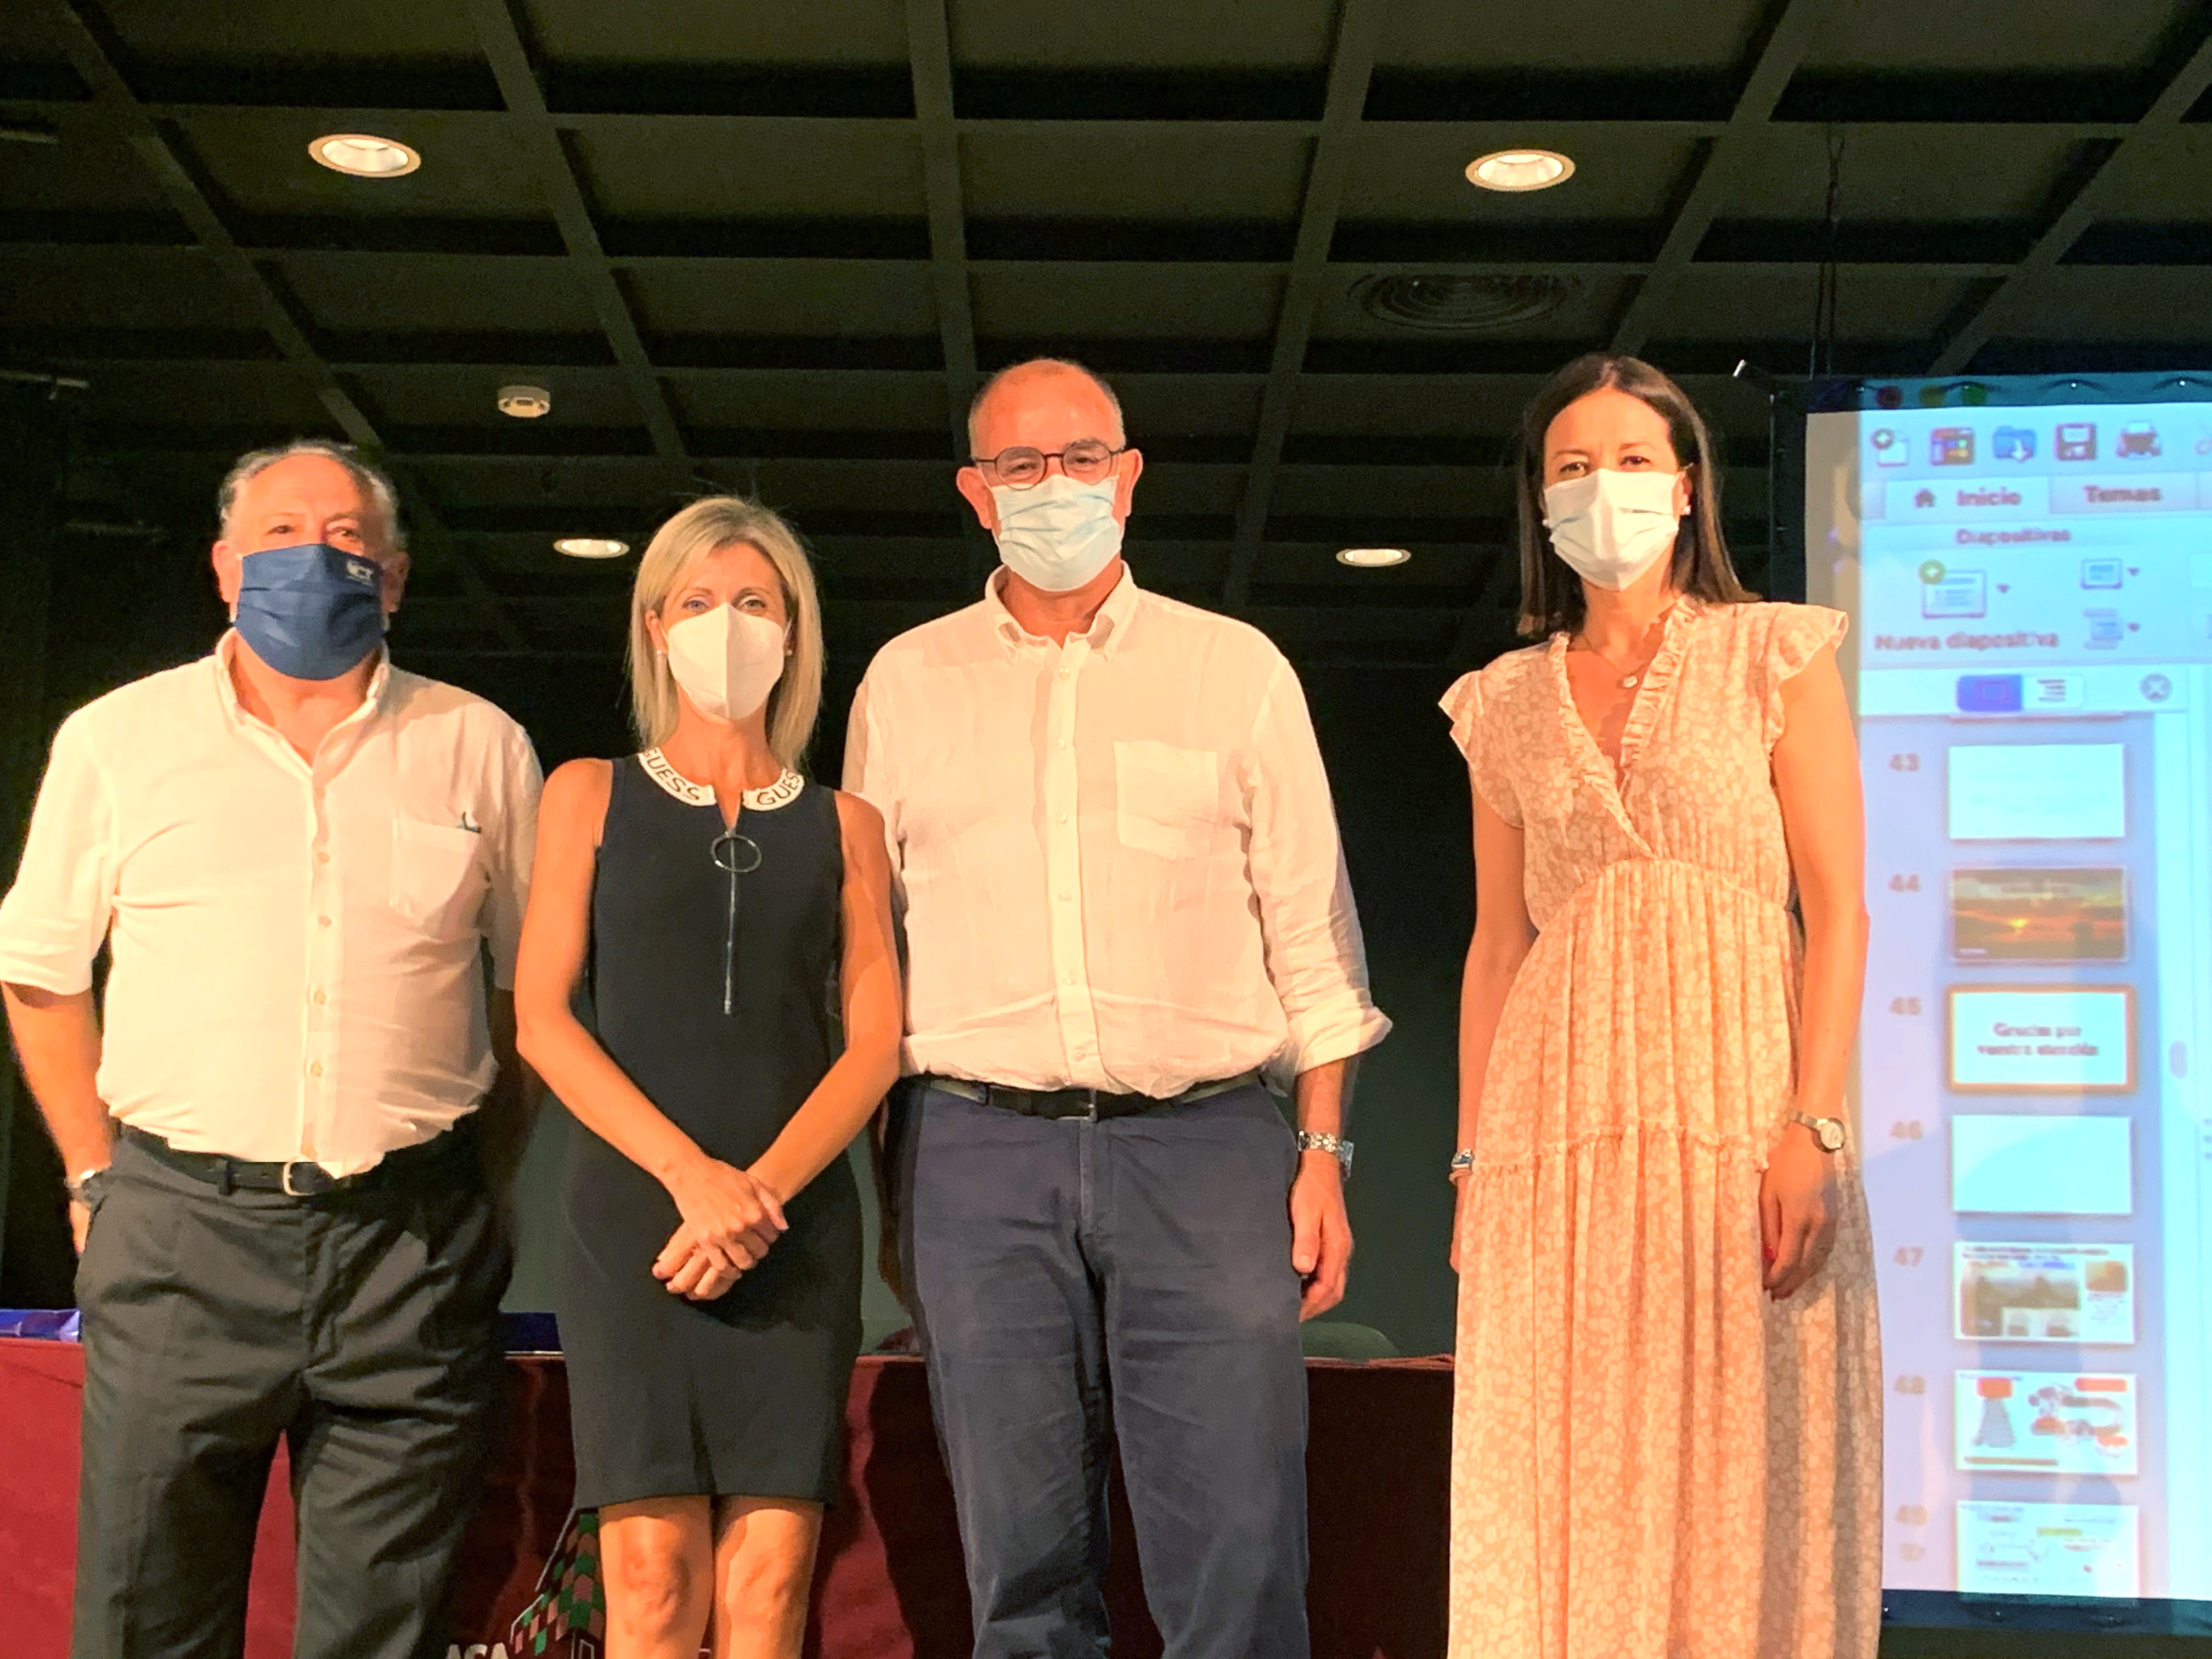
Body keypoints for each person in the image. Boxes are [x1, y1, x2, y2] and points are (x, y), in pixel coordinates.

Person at [845, 357, 1391, 1659]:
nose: (1056, 486)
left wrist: (1322, 1153)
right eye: (1022, 467)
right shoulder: (904, 685)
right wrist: (891, 1187)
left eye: (1082, 457)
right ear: (978, 495)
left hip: (1205, 1148)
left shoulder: (1235, 670)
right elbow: (874, 960)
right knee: (1021, 1570)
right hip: (974, 1150)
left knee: (1238, 1556)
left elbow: (1315, 947)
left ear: (1130, 476)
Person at [0, 439, 543, 1659]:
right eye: (283, 532)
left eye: (348, 537)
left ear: (394, 579)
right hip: (181, 1231)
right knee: (147, 1617)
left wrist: (479, 1183)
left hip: (410, 1243)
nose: (318, 555)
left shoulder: (481, 746)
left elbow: (526, 999)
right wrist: (95, 1175)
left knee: (384, 1631)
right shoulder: (117, 741)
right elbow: (38, 973)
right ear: (224, 566)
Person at [1442, 354, 1881, 1658]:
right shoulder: (1504, 700)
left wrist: (1815, 1125)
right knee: (1563, 1469)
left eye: (1632, 461)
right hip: (1555, 1139)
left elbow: (1838, 904)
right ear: (1541, 501)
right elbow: (1495, 945)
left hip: (1738, 1112)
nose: (1604, 489)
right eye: (1573, 467)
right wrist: (1472, 1163)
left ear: (1686, 488)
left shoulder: (1772, 652)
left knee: (1749, 1461)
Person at [512, 497, 900, 1659]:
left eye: (753, 603)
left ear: (795, 629)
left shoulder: (849, 824)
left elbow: (875, 1041)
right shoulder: (586, 791)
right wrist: (695, 1181)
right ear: (653, 624)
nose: (725, 626)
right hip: (637, 1219)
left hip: (796, 1224)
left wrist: (758, 1196)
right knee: (648, 1569)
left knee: (774, 1578)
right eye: (696, 602)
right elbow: (540, 1018)